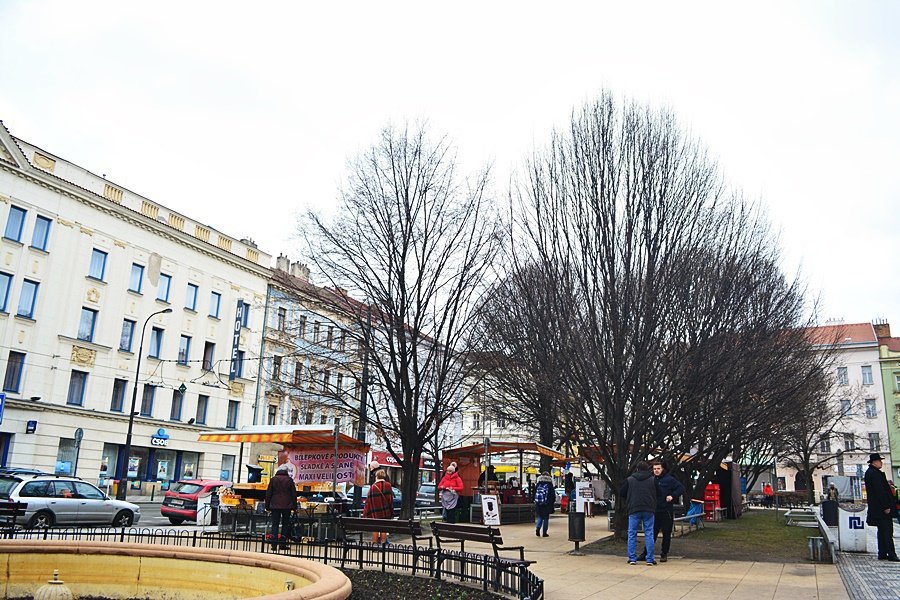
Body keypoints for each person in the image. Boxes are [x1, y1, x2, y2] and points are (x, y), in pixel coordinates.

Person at [639, 461, 684, 563]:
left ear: (662, 469)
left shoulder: (669, 479)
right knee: (651, 533)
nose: (656, 471)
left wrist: (672, 496)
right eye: (654, 469)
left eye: (658, 469)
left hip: (666, 510)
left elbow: (681, 488)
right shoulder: (651, 479)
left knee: (666, 533)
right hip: (653, 510)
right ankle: (646, 553)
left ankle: (664, 553)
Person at [619, 461, 657, 565]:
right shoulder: (653, 480)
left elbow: (622, 492)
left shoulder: (630, 480)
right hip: (649, 509)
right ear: (647, 469)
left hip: (634, 509)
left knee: (632, 533)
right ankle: (649, 559)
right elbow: (659, 493)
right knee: (649, 533)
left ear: (637, 469)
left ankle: (632, 558)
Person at [864, 453, 899, 561]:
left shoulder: (871, 473)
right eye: (879, 461)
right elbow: (880, 492)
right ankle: (891, 554)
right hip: (881, 509)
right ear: (874, 462)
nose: (881, 463)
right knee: (887, 532)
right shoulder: (875, 474)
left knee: (882, 531)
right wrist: (886, 506)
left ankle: (882, 553)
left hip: (876, 508)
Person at [265, 464, 297, 550]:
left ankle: (274, 544)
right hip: (287, 505)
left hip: (275, 505)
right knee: (285, 524)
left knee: (275, 524)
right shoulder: (289, 480)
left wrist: (267, 506)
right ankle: (282, 544)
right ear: (286, 471)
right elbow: (293, 494)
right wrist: (294, 506)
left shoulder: (273, 480)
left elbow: (268, 494)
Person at [362, 469, 394, 543]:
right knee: (384, 529)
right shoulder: (388, 485)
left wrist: (365, 514)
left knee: (375, 529)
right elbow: (390, 500)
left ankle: (374, 545)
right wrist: (391, 512)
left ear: (376, 476)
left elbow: (368, 502)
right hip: (385, 512)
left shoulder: (373, 487)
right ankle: (383, 545)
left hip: (375, 513)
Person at [533, 471, 556, 537]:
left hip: (539, 503)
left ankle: (538, 527)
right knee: (546, 518)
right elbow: (552, 496)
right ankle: (544, 533)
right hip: (547, 504)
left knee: (540, 516)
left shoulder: (538, 484)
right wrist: (552, 502)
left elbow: (534, 494)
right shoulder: (550, 485)